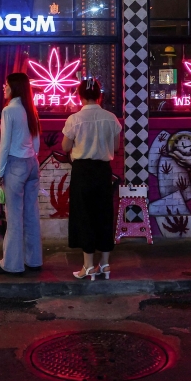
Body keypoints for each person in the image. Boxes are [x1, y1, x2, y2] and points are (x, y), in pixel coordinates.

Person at [62, 78, 122, 281]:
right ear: (100, 96)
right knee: (104, 215)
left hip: (82, 171)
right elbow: (115, 148)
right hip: (103, 171)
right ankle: (104, 264)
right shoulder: (111, 118)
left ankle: (88, 266)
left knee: (84, 215)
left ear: (79, 96)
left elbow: (64, 146)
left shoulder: (74, 119)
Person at [0, 72, 42, 276]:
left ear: (14, 88)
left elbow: (4, 146)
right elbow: (37, 140)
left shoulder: (9, 111)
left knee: (13, 217)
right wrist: (33, 157)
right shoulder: (30, 109)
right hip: (32, 164)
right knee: (31, 215)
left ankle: (12, 264)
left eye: (6, 85)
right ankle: (34, 260)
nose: (4, 88)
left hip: (15, 165)